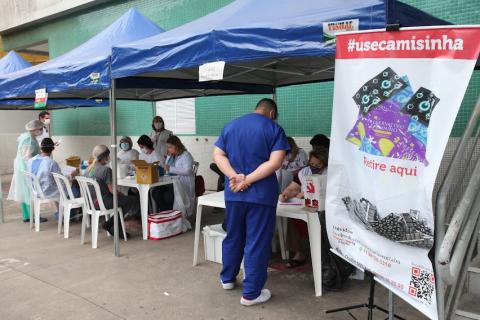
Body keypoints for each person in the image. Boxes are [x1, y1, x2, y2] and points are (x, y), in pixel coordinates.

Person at [213, 98, 290, 306]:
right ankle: (251, 293)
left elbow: (218, 154)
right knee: (256, 241)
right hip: (261, 195)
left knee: (234, 235)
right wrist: (248, 179)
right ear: (272, 113)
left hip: (234, 193)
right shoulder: (274, 129)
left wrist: (234, 176)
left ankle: (227, 278)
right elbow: (275, 162)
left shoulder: (231, 126)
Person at [279, 146, 329, 268]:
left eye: (318, 165)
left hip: (323, 210)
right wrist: (286, 194)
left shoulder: (330, 173)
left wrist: (306, 194)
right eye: (311, 163)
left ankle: (325, 256)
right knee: (293, 219)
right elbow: (293, 188)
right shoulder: (304, 172)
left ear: (324, 164)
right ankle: (299, 253)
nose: (314, 167)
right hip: (305, 207)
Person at [86, 145, 140, 238]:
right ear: (106, 156)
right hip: (103, 202)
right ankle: (112, 224)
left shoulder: (89, 169)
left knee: (123, 200)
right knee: (131, 200)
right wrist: (122, 195)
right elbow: (112, 191)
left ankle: (111, 224)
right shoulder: (106, 170)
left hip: (91, 203)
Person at [27, 138, 79, 221]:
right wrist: (71, 175)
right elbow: (61, 180)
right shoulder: (51, 163)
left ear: (41, 147)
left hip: (36, 191)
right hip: (48, 192)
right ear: (53, 149)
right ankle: (65, 215)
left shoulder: (31, 160)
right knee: (75, 190)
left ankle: (62, 213)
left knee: (65, 188)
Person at [8, 120, 43, 223]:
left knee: (24, 192)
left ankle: (27, 216)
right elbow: (27, 157)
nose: (41, 131)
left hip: (21, 167)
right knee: (29, 192)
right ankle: (34, 217)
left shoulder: (28, 136)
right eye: (40, 129)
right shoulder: (29, 140)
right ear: (34, 129)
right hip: (25, 168)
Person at [163, 135, 195, 216]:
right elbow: (166, 168)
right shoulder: (170, 156)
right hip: (171, 181)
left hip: (183, 182)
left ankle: (177, 216)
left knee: (168, 196)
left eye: (170, 147)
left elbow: (187, 170)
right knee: (156, 193)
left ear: (176, 146)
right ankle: (167, 216)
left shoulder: (186, 155)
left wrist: (170, 169)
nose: (168, 149)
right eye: (168, 147)